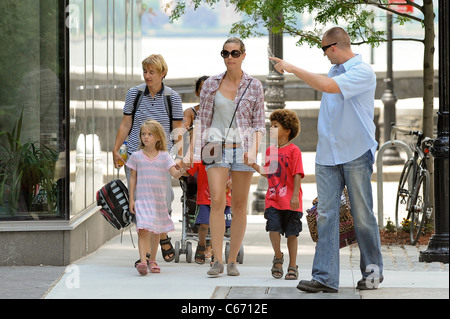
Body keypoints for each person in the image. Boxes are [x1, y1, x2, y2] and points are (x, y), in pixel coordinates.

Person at [270, 26, 383, 292]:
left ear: (333, 47)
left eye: (324, 49)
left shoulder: (362, 72)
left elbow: (327, 86)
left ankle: (372, 274)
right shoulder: (335, 69)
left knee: (363, 215)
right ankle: (325, 277)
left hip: (356, 153)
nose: (325, 57)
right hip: (328, 156)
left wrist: (292, 67)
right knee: (325, 216)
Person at [186, 37, 265, 277]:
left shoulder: (254, 86)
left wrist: (253, 151)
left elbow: (259, 123)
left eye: (234, 53)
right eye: (225, 53)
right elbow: (202, 121)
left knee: (239, 206)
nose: (230, 57)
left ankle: (233, 261)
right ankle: (217, 260)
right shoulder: (211, 84)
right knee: (217, 201)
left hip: (243, 149)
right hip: (215, 146)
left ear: (243, 55)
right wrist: (190, 151)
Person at [113, 54, 184, 264]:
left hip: (162, 157)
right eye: (145, 71)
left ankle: (161, 234)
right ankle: (145, 256)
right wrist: (116, 148)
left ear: (163, 74)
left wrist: (180, 155)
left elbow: (177, 130)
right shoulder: (134, 93)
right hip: (136, 155)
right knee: (138, 201)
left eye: (152, 72)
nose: (147, 76)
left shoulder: (173, 97)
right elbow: (126, 124)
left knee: (166, 198)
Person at [248, 109, 304, 280]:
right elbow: (267, 172)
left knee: (292, 234)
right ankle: (278, 256)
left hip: (291, 200)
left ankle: (293, 265)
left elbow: (297, 174)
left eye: (275, 126)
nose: (271, 129)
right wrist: (253, 165)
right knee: (273, 228)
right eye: (270, 125)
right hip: (273, 199)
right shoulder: (270, 151)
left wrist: (295, 196)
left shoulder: (294, 151)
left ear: (287, 130)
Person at [127, 120, 186, 275]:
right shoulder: (136, 156)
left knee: (156, 231)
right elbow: (132, 178)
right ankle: (142, 261)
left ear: (158, 137)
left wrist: (183, 169)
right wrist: (131, 199)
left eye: (150, 134)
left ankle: (153, 260)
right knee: (143, 230)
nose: (146, 137)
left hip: (158, 201)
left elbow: (175, 173)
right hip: (142, 200)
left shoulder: (165, 156)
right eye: (143, 134)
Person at [186, 162, 232, 264]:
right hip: (205, 198)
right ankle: (201, 245)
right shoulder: (202, 159)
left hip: (224, 198)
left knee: (218, 226)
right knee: (204, 225)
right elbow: (188, 172)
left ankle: (215, 251)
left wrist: (232, 179)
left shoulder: (228, 159)